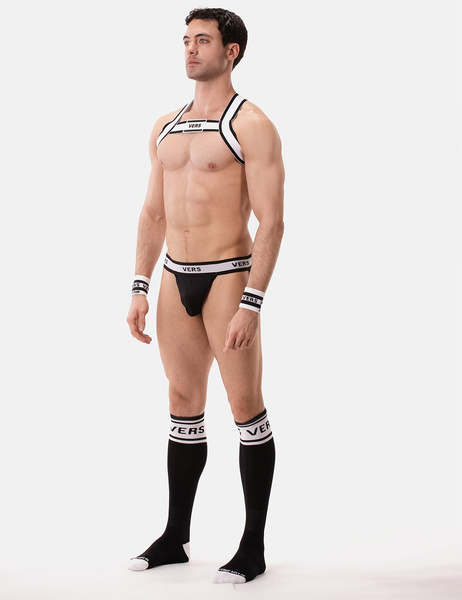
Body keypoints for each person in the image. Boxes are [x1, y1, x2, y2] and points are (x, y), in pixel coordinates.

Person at [126, 7, 284, 584]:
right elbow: (152, 212)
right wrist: (140, 286)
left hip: (228, 276)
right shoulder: (165, 126)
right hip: (175, 276)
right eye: (186, 40)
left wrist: (253, 301)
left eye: (203, 41)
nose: (190, 50)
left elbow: (272, 221)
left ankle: (252, 545)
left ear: (231, 51)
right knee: (182, 401)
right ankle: (176, 536)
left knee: (245, 407)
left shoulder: (251, 124)